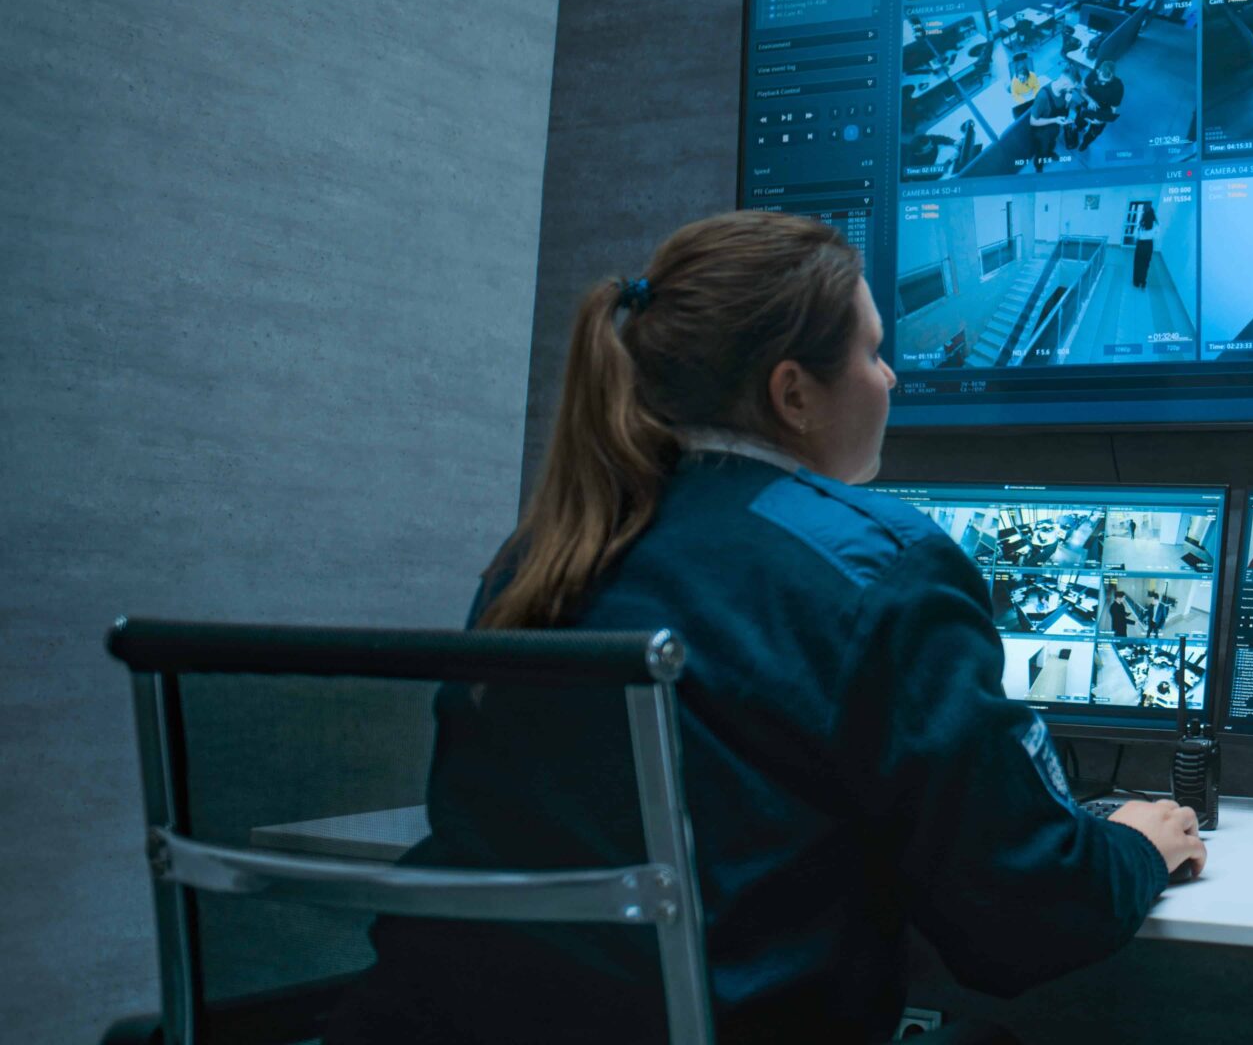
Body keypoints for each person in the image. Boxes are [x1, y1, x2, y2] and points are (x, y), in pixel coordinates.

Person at [324, 211, 1202, 1045]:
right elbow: (1022, 922)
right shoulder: (880, 567)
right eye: (872, 353)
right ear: (794, 394)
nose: (890, 379)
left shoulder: (539, 558)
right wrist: (1135, 845)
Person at [1025, 73, 1078, 171]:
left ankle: (1049, 153)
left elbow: (1063, 112)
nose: (1071, 90)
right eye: (1072, 88)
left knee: (1052, 143)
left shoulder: (1063, 91)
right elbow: (1032, 121)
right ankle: (1039, 166)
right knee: (1041, 150)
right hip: (1042, 131)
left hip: (1055, 128)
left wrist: (1067, 102)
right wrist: (1055, 120)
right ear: (1065, 83)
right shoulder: (1043, 96)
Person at [1129, 200, 1158, 288]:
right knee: (1145, 264)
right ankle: (1143, 282)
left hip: (1141, 244)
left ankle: (1136, 282)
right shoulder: (1156, 222)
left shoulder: (1141, 222)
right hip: (1149, 245)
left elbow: (1136, 235)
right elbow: (1157, 236)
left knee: (1138, 263)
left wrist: (1136, 239)